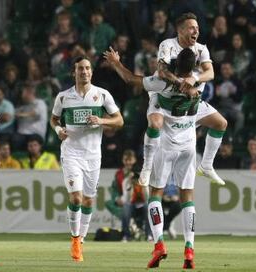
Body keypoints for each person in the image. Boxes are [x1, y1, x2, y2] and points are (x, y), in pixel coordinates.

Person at [105, 47, 202, 268]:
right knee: (187, 198)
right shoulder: (199, 83)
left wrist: (116, 63)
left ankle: (159, 244)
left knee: (155, 194)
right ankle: (189, 250)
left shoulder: (162, 84)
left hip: (166, 145)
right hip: (189, 144)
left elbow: (131, 79)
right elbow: (201, 73)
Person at [105, 13, 228, 186]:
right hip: (162, 93)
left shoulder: (201, 49)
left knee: (220, 123)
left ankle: (206, 165)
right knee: (155, 123)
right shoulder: (168, 45)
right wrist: (182, 83)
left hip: (188, 98)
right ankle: (147, 167)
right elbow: (162, 71)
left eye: (198, 28)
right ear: (180, 30)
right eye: (192, 27)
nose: (196, 31)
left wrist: (193, 80)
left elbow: (211, 72)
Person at [50, 56, 123, 262]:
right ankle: (74, 239)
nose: (84, 72)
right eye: (80, 68)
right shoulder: (64, 97)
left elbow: (119, 121)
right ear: (74, 72)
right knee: (76, 198)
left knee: (89, 199)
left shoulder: (101, 95)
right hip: (71, 152)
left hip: (93, 155)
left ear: (92, 72)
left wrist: (101, 120)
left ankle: (81, 238)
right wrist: (58, 129)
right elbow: (54, 119)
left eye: (88, 68)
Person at [110, 149, 150, 242]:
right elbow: (117, 191)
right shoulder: (120, 175)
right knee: (124, 207)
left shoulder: (142, 174)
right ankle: (126, 235)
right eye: (126, 160)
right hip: (127, 202)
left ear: (134, 160)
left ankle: (149, 235)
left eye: (130, 160)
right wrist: (118, 199)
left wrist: (141, 184)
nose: (128, 162)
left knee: (148, 207)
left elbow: (147, 195)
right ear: (123, 160)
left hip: (142, 203)